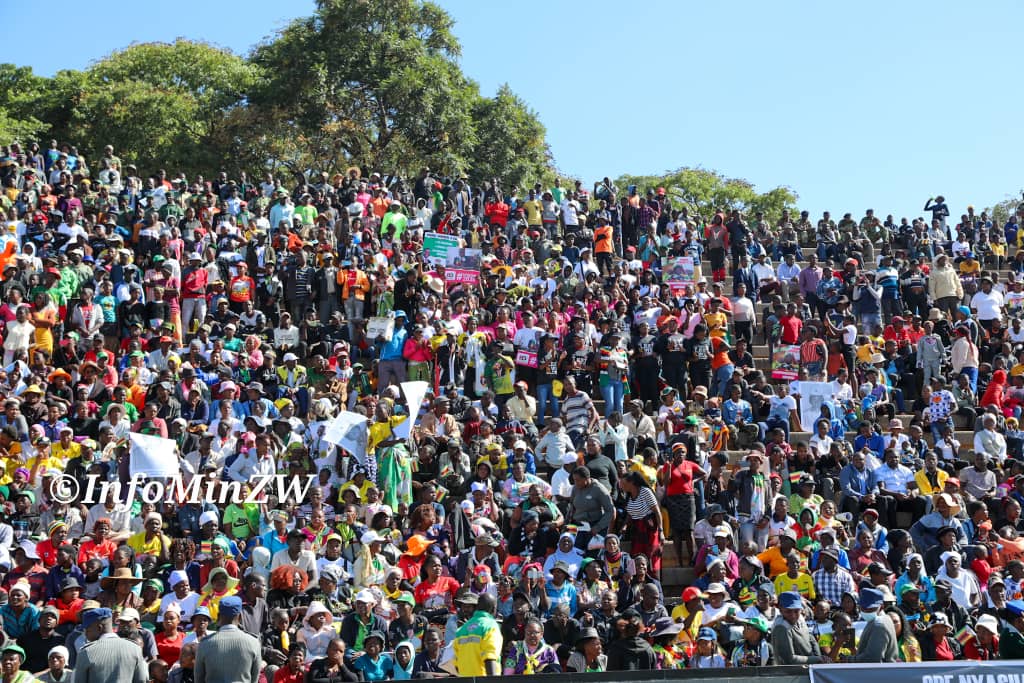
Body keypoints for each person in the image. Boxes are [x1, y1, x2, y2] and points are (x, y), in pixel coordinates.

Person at [69, 607, 147, 683]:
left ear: (100, 628)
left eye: (87, 630)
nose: (85, 634)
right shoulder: (135, 649)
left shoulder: (86, 652)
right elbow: (141, 680)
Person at [194, 596, 261, 683]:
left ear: (218, 617)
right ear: (240, 617)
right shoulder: (254, 642)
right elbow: (254, 678)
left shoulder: (204, 644)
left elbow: (199, 679)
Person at [451, 593, 501, 677]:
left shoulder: (461, 629)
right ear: (493, 609)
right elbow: (490, 657)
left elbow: (456, 664)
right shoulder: (490, 626)